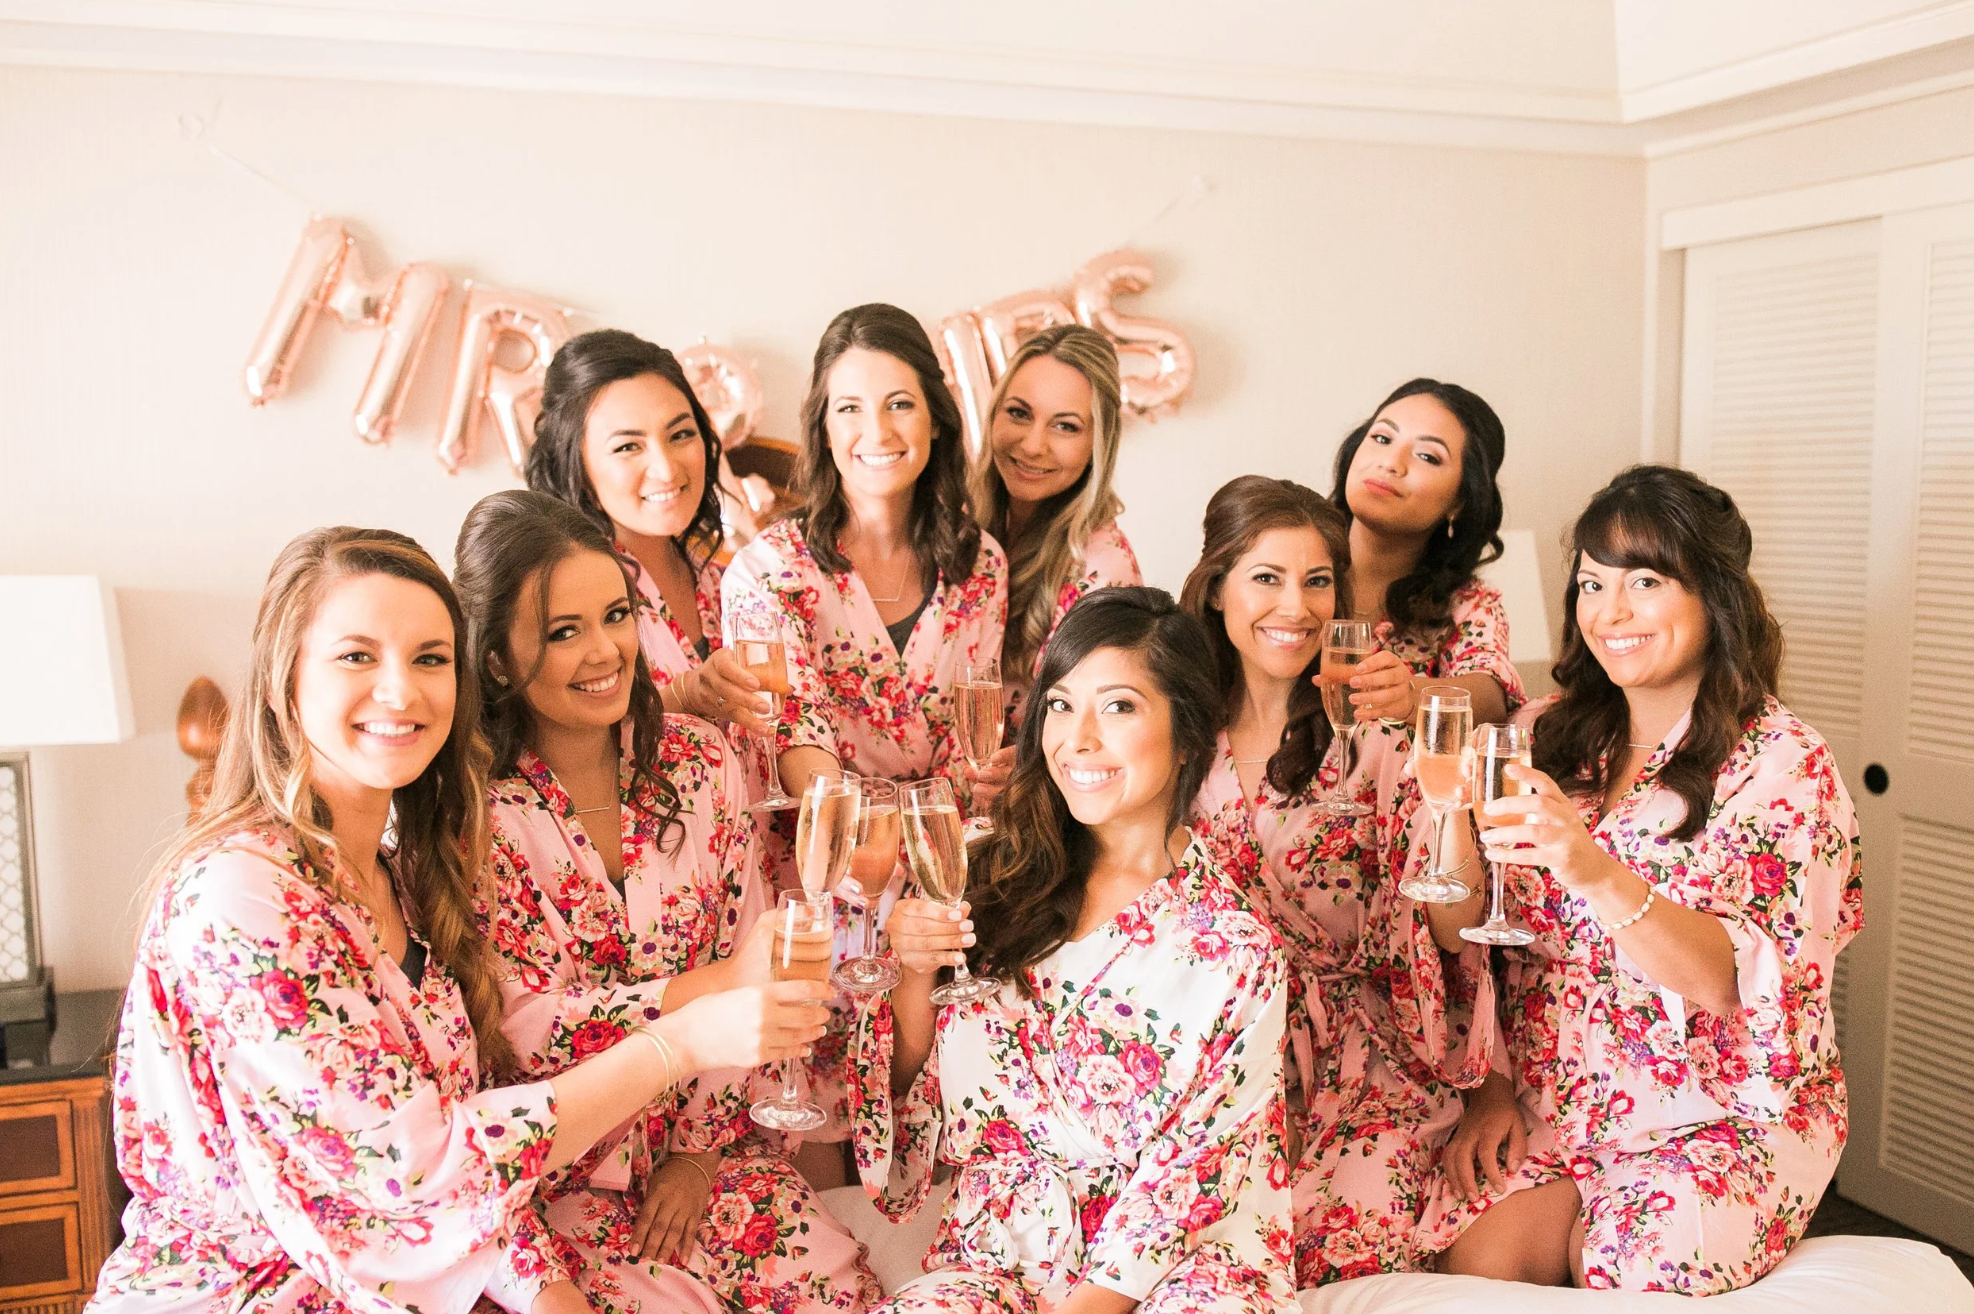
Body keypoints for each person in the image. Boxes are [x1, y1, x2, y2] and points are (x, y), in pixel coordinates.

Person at [89, 528, 830, 1314]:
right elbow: (414, 1167)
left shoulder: (403, 881)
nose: (402, 691)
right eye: (356, 656)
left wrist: (545, 1289)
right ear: (284, 679)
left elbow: (467, 1134)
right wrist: (678, 1039)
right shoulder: (239, 897)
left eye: (429, 658)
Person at [1427, 466, 1863, 1293]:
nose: (1610, 611)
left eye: (1646, 582)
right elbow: (1476, 941)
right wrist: (1492, 1087)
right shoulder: (1545, 735)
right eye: (1592, 582)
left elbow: (1729, 982)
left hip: (1722, 1109)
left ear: (1714, 598)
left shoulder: (1782, 765)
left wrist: (1592, 868)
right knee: (1478, 1272)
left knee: (1638, 1267)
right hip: (1559, 1100)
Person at [455, 491, 879, 1313]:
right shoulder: (474, 815)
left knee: (840, 1291)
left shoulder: (699, 764)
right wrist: (705, 993)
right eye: (561, 631)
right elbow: (520, 1031)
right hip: (566, 1183)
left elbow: (762, 965)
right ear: (500, 659)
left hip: (711, 1154)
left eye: (614, 615)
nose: (604, 651)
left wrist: (701, 1155)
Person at [855, 587, 1299, 1314]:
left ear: (1187, 732)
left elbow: (1187, 1179)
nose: (1078, 739)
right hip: (1001, 1253)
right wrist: (913, 969)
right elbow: (906, 1095)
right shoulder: (980, 871)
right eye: (1060, 705)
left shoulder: (1235, 950)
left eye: (1118, 707)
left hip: (1178, 1271)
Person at [1179, 475, 1494, 1286]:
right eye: (1267, 578)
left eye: (1318, 581)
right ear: (1216, 588)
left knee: (1328, 1252)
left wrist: (1449, 804)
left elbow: (1457, 927)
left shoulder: (1383, 735)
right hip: (1217, 1064)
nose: (1296, 606)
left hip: (1367, 1061)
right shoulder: (1174, 732)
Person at [720, 304, 1007, 1172]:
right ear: (822, 424)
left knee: (942, 1147)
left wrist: (984, 782)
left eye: (898, 404)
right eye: (849, 408)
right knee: (810, 1147)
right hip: (814, 874)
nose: (874, 430)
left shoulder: (980, 564)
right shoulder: (770, 570)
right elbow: (795, 740)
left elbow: (970, 738)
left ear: (935, 419)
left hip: (937, 877)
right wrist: (862, 850)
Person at [528, 328, 769, 740]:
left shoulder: (726, 582)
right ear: (576, 464)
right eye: (627, 447)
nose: (667, 469)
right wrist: (685, 695)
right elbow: (562, 740)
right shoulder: (560, 598)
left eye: (680, 435)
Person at [969, 324, 1141, 729]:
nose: (1032, 445)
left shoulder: (1103, 571)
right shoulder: (957, 522)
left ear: (1099, 442)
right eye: (1019, 413)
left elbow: (1088, 732)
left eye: (1065, 426)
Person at [1327, 379, 1521, 729]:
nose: (1391, 463)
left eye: (1427, 456)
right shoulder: (1291, 561)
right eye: (1382, 438)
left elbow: (1491, 696)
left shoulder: (1466, 604)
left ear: (1460, 501)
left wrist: (1410, 694)